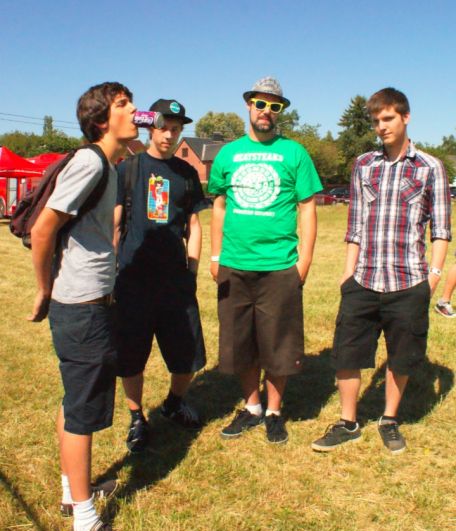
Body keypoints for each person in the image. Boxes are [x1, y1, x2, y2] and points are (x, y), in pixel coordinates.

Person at [29, 83, 141, 531]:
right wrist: (44, 288)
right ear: (101, 121)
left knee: (75, 399)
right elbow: (43, 228)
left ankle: (70, 493)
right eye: (123, 105)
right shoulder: (91, 162)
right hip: (80, 306)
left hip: (88, 302)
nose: (134, 110)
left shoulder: (109, 164)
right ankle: (87, 523)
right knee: (83, 412)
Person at [312, 87, 452, 455]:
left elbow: (441, 230)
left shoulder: (430, 167)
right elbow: (355, 225)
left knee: (401, 356)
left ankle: (389, 419)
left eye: (388, 118)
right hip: (363, 278)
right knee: (347, 353)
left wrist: (433, 276)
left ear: (405, 117)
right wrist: (347, 273)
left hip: (409, 281)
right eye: (376, 121)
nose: (381, 127)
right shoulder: (364, 164)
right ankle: (348, 422)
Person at [208, 76, 321, 444]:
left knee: (278, 344)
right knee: (240, 342)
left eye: (275, 106)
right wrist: (215, 255)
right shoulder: (228, 154)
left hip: (279, 266)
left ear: (280, 111)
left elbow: (307, 207)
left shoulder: (295, 153)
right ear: (249, 105)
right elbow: (219, 206)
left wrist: (304, 261)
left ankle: (273, 411)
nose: (266, 111)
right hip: (234, 264)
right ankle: (252, 406)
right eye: (260, 103)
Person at [114, 99, 207, 454]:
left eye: (176, 129)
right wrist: (111, 271)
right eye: (163, 127)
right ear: (150, 128)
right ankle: (137, 417)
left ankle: (173, 403)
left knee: (187, 354)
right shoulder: (129, 169)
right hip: (133, 280)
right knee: (131, 355)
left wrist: (192, 269)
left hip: (175, 282)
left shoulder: (186, 173)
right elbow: (116, 224)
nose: (169, 135)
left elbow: (194, 225)